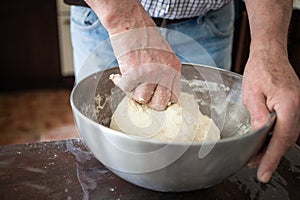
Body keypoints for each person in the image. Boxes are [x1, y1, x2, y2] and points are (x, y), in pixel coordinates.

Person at [66, 0, 300, 183]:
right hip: (105, 19)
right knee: (103, 166)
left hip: (207, 23)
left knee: (202, 163)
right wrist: (122, 19)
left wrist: (269, 46)